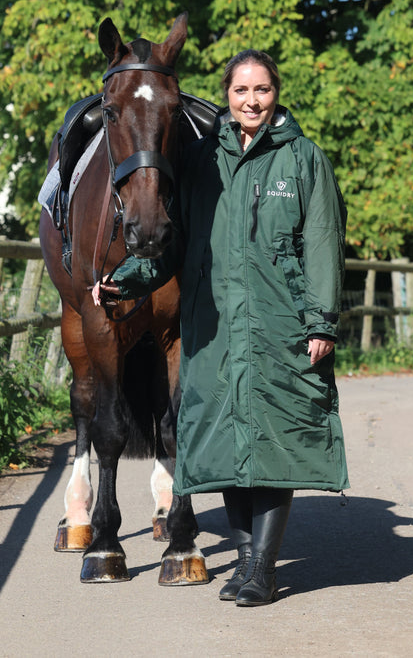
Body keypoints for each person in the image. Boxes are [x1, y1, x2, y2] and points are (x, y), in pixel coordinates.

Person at [92, 49, 349, 607]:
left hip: (281, 324)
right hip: (215, 326)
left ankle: (261, 568)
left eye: (261, 90)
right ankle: (246, 564)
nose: (251, 101)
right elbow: (174, 245)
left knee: (274, 447)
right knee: (230, 445)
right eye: (241, 91)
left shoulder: (304, 160)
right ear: (227, 96)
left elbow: (325, 245)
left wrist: (321, 321)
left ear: (275, 94)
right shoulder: (202, 161)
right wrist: (126, 281)